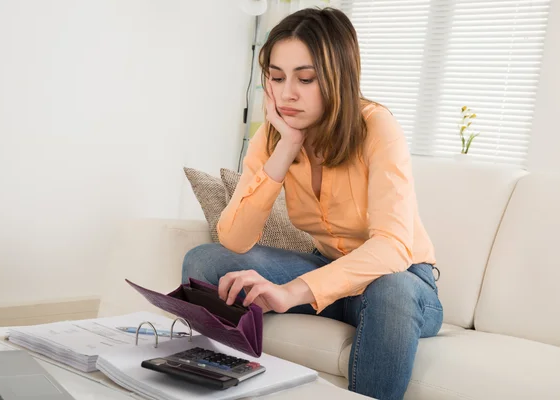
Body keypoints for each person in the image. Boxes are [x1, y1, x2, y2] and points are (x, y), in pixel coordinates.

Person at [182, 7, 442, 400]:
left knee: (391, 290)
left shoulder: (377, 127)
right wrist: (286, 145)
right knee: (206, 262)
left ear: (338, 78)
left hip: (403, 282)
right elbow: (234, 238)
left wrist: (294, 291)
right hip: (331, 274)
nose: (288, 93)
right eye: (276, 77)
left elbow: (392, 247)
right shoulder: (274, 137)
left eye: (305, 78)